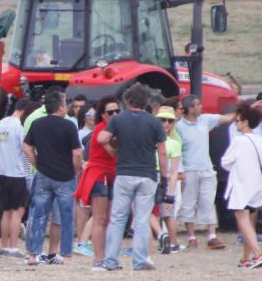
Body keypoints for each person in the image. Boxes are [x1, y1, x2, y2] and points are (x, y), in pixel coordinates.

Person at [97, 83, 167, 271]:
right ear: (146, 102)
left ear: (127, 101)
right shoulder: (154, 122)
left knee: (118, 218)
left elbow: (101, 138)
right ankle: (139, 260)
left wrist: (113, 150)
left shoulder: (118, 120)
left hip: (124, 173)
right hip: (147, 174)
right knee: (142, 219)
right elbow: (162, 153)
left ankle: (110, 260)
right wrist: (165, 177)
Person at [23, 90, 82, 265]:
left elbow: (26, 147)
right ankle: (66, 256)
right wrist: (75, 171)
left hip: (43, 175)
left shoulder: (37, 123)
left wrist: (36, 164)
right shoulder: (69, 125)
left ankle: (33, 255)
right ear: (61, 106)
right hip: (65, 177)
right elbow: (77, 153)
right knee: (66, 217)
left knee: (39, 216)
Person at [176, 94, 235, 249]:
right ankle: (191, 237)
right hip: (189, 170)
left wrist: (246, 108)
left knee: (208, 201)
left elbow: (227, 118)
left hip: (206, 168)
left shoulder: (205, 120)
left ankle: (212, 235)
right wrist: (180, 171)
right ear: (190, 109)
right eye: (198, 104)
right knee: (189, 203)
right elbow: (178, 151)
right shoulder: (179, 127)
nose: (201, 106)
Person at [221, 103, 262, 269]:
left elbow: (225, 162)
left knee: (242, 220)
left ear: (246, 122)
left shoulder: (239, 140)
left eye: (239, 120)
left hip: (242, 184)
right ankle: (246, 257)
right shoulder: (261, 140)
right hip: (257, 184)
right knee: (249, 222)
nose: (236, 123)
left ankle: (258, 254)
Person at [74, 97, 120, 268]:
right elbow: (111, 151)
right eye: (110, 112)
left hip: (110, 176)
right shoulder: (102, 130)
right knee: (100, 219)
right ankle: (98, 259)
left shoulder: (112, 130)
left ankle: (105, 257)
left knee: (107, 219)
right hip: (100, 176)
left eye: (117, 111)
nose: (115, 114)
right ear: (103, 114)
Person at [0, 99, 31, 259]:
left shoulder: (0, 124)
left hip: (4, 171)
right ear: (25, 112)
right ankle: (14, 247)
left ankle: (4, 246)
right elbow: (26, 148)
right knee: (18, 211)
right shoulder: (19, 128)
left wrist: (4, 155)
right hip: (18, 173)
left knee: (6, 211)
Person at [153, 106, 183, 253]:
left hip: (162, 176)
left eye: (170, 121)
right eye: (162, 120)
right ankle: (166, 239)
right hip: (152, 174)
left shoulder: (175, 143)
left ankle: (169, 239)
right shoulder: (151, 138)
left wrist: (170, 194)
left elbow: (174, 171)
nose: (166, 124)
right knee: (159, 213)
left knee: (166, 213)